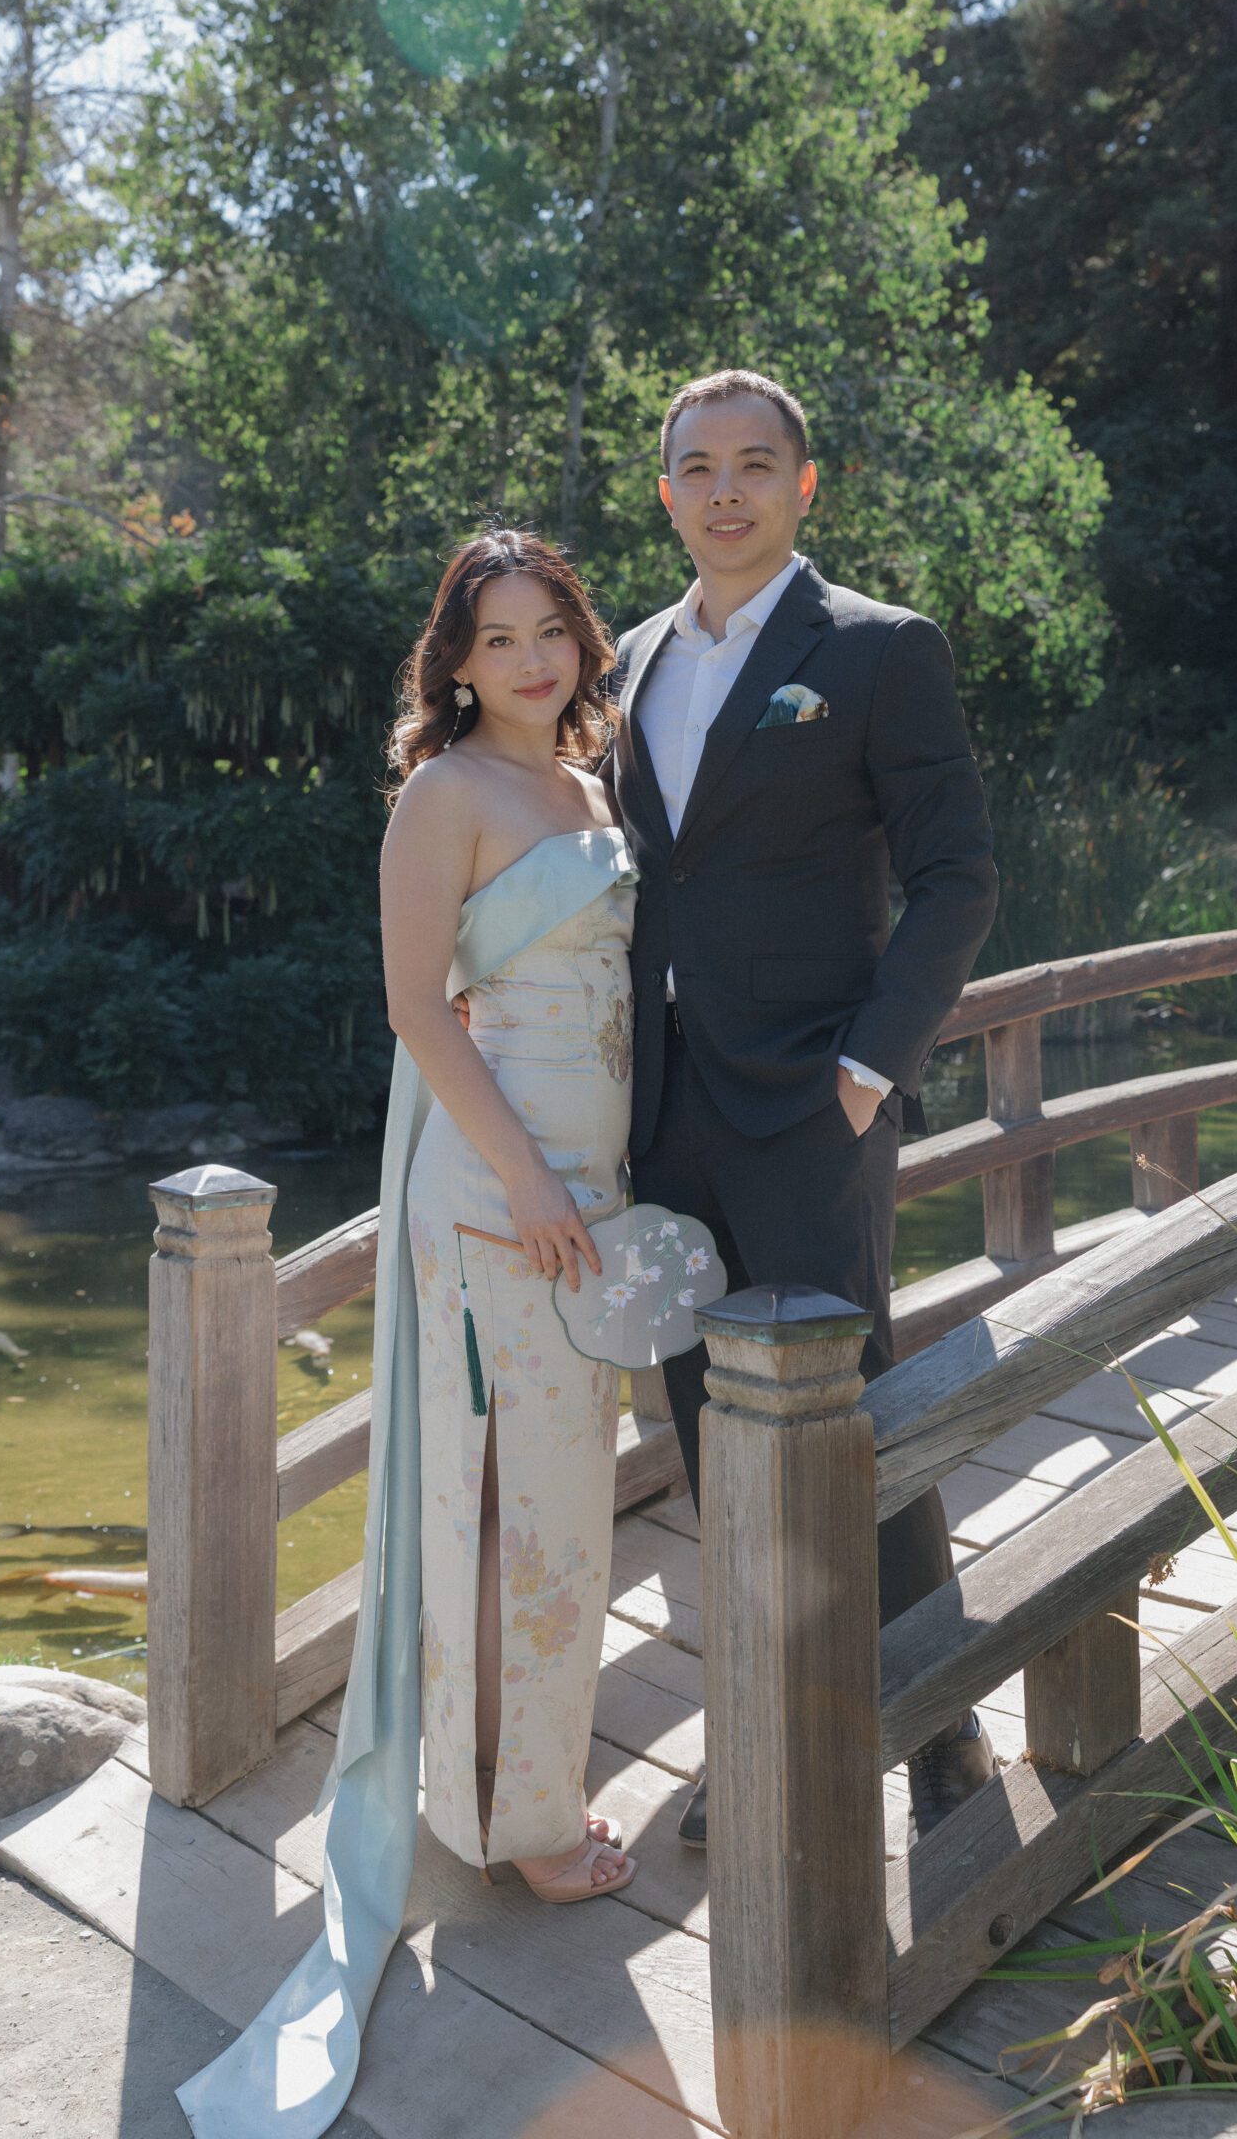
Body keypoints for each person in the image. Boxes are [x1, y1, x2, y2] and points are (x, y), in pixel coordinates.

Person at [177, 529, 638, 2139]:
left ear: (581, 641)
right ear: (454, 664)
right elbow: (417, 1009)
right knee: (507, 1502)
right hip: (502, 1191)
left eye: (549, 629)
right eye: (496, 638)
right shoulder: (445, 794)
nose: (529, 658)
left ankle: (510, 1781)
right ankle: (518, 1820)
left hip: (593, 1186)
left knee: (563, 1505)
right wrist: (530, 1181)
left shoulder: (588, 786)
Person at [609, 367, 1001, 1851]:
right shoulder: (630, 661)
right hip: (661, 1110)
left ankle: (942, 1726)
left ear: (804, 483)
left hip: (810, 1104)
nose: (726, 491)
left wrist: (870, 1070)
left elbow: (958, 876)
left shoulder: (880, 649)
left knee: (853, 1424)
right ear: (666, 493)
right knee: (710, 1431)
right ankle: (761, 1731)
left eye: (754, 465)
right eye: (698, 468)